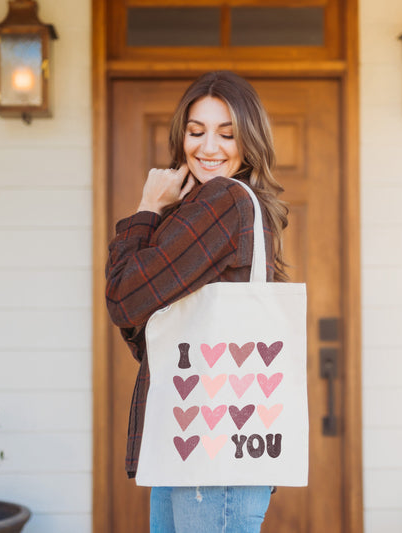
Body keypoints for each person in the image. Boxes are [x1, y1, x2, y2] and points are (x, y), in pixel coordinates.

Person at [106, 70, 288, 533]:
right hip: (189, 438)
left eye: (227, 134)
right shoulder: (208, 208)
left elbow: (125, 300)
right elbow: (149, 326)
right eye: (196, 131)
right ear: (181, 136)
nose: (209, 147)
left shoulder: (225, 201)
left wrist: (148, 207)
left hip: (211, 445)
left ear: (249, 142)